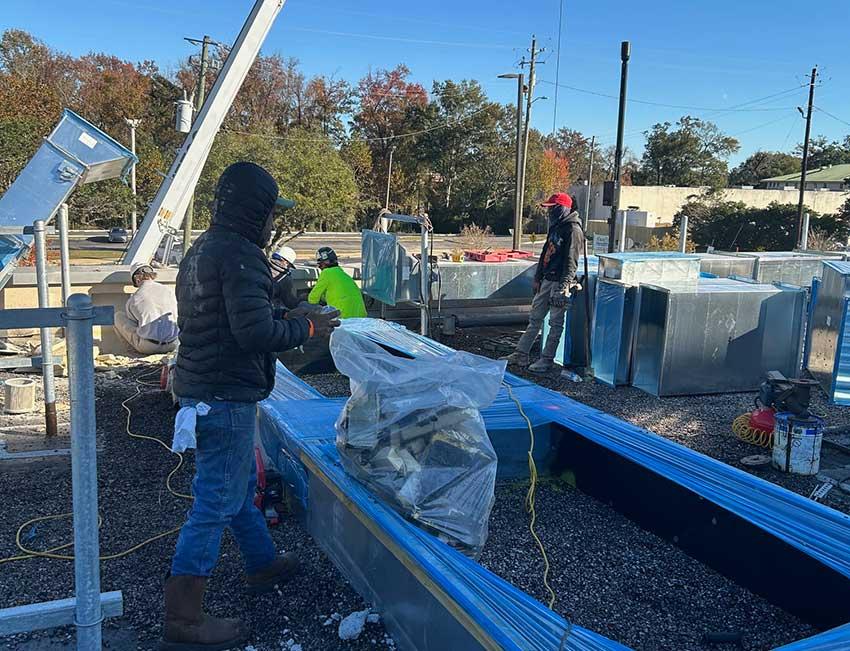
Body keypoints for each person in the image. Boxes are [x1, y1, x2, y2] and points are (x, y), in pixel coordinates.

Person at [163, 162, 341, 650]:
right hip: (226, 396)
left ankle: (262, 562)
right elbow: (254, 333)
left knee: (236, 487)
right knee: (213, 503)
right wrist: (308, 328)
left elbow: (232, 316)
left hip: (204, 389)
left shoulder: (203, 249)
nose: (272, 225)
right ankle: (182, 616)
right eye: (270, 214)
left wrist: (287, 311)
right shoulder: (243, 255)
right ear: (254, 211)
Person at [503, 192, 584, 373]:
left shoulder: (573, 230)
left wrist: (562, 289)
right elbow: (545, 254)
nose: (549, 212)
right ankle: (521, 354)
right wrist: (538, 277)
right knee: (535, 318)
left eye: (551, 208)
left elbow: (571, 263)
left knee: (555, 323)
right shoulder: (556, 226)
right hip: (547, 279)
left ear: (561, 208)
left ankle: (547, 359)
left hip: (559, 282)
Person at [113, 262, 179, 355]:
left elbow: (133, 326)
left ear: (137, 278)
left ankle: (133, 354)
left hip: (149, 347)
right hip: (172, 344)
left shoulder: (134, 299)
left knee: (117, 316)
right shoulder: (169, 291)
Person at [308, 246, 368, 319]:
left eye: (320, 264)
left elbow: (312, 299)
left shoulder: (327, 273)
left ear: (324, 263)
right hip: (360, 316)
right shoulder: (343, 274)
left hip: (344, 317)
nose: (320, 267)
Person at [269, 245, 300, 311]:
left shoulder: (261, 267)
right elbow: (289, 302)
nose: (289, 268)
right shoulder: (284, 278)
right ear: (285, 262)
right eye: (289, 265)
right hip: (268, 310)